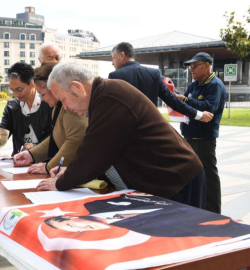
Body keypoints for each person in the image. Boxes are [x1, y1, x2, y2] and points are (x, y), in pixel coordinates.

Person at [37, 62, 206, 209]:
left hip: (177, 180)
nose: (65, 107)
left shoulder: (109, 97)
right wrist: (71, 172)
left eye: (64, 100)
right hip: (168, 179)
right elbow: (97, 152)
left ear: (77, 88)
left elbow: (94, 154)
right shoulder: (103, 95)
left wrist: (61, 182)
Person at [44, 193, 250, 237]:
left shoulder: (96, 204)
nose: (81, 230)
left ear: (70, 217)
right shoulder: (148, 231)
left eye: (71, 226)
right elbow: (223, 230)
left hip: (179, 180)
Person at [108, 42, 213, 123]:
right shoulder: (154, 74)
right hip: (149, 130)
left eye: (113, 58)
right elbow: (172, 100)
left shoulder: (115, 76)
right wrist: (198, 115)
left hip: (125, 133)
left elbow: (109, 109)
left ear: (122, 55)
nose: (112, 63)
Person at [14, 63, 88, 174]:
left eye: (42, 94)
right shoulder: (58, 108)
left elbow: (75, 140)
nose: (42, 99)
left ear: (54, 88)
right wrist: (31, 155)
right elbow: (55, 137)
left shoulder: (70, 107)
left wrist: (49, 167)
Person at [176, 52, 227, 214]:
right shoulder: (193, 85)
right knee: (192, 173)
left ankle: (213, 211)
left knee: (209, 176)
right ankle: (196, 207)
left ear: (206, 66)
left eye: (194, 66)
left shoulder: (215, 85)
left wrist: (184, 100)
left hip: (204, 139)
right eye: (189, 66)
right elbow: (185, 104)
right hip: (189, 136)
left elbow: (208, 107)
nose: (191, 69)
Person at [0, 62, 52, 155]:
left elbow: (56, 137)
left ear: (31, 83)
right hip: (19, 161)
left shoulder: (48, 103)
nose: (15, 94)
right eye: (12, 90)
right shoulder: (12, 106)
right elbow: (2, 132)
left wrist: (35, 148)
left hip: (45, 160)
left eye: (19, 89)